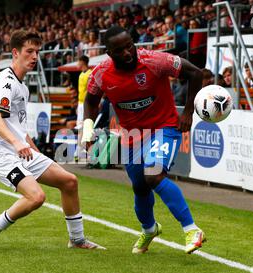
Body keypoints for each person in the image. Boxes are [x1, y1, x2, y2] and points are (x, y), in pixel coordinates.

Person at [0, 30, 104, 252]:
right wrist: (17, 145)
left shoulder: (22, 85)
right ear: (15, 53)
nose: (35, 57)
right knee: (36, 197)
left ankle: (77, 239)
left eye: (37, 52)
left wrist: (35, 152)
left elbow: (20, 130)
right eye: (29, 51)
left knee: (69, 181)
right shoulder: (6, 82)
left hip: (19, 149)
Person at [82, 27, 205, 254]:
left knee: (154, 174)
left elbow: (196, 73)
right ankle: (149, 229)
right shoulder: (101, 73)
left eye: (130, 45)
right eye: (120, 50)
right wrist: (87, 129)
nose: (128, 53)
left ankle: (191, 229)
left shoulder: (155, 61)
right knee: (140, 187)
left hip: (164, 127)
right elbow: (90, 101)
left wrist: (189, 112)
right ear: (109, 53)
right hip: (132, 136)